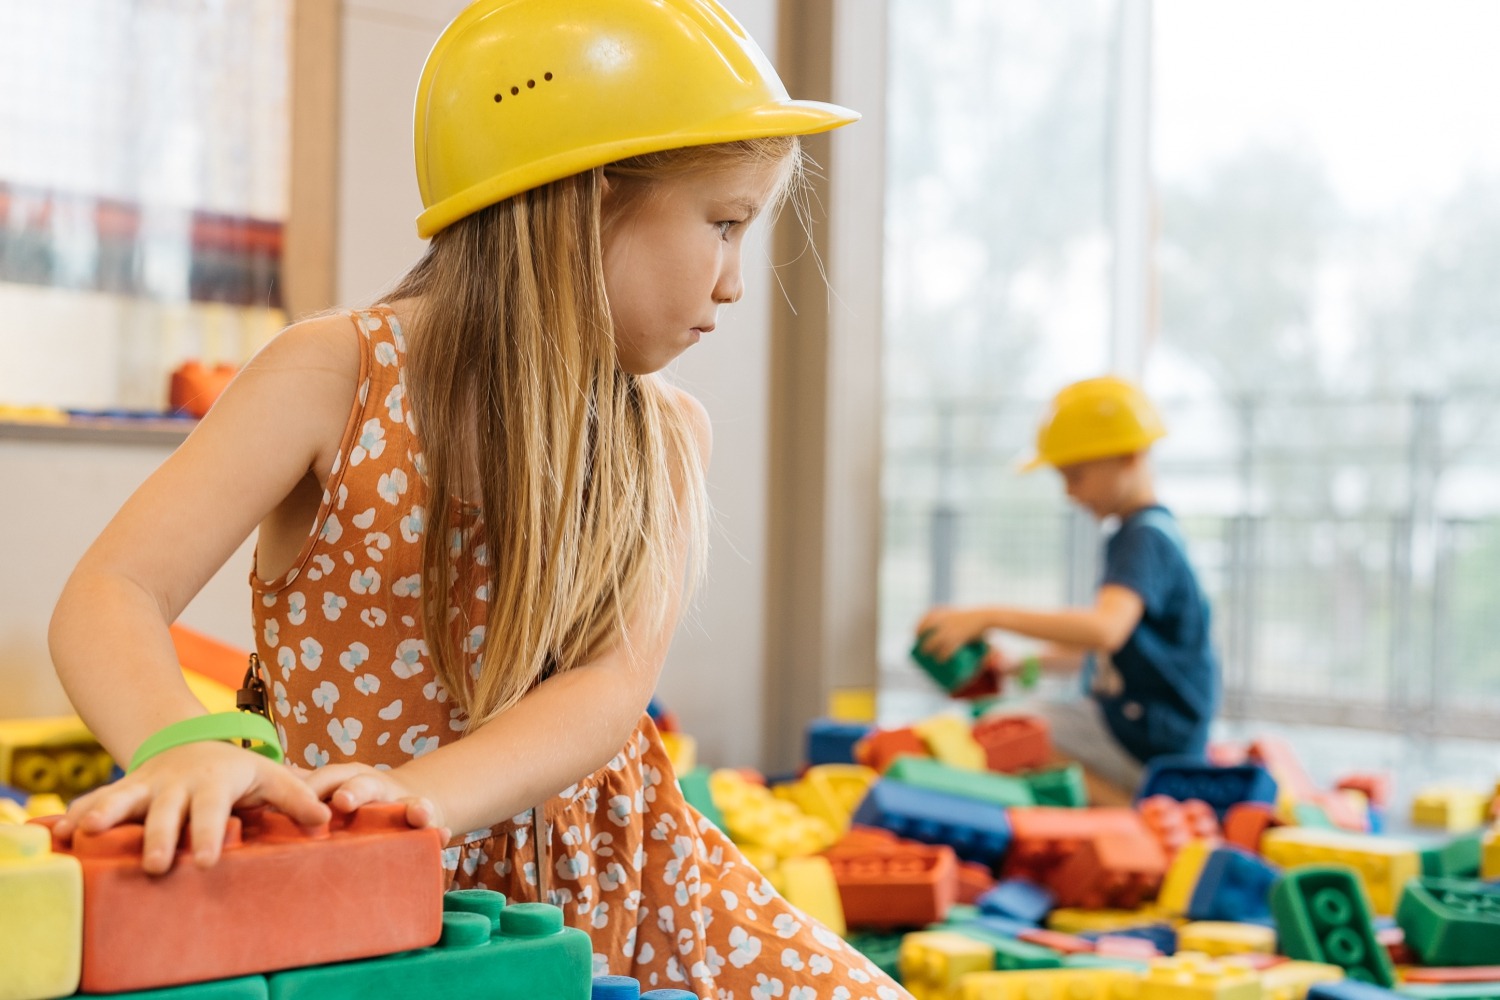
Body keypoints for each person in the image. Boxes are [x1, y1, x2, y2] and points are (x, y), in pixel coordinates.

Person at [49, 2, 908, 995]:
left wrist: (417, 794)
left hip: (620, 883)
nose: (734, 286)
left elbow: (602, 694)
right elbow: (114, 587)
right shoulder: (334, 375)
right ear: (583, 202)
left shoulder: (668, 434)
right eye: (723, 225)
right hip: (368, 885)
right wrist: (185, 748)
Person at [915, 376, 1220, 797]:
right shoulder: (1146, 532)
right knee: (1013, 724)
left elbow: (1104, 629)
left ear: (1130, 457)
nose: (1070, 493)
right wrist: (1021, 666)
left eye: (1076, 475)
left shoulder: (1143, 537)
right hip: (1143, 728)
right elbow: (1107, 649)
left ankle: (1130, 817)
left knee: (1003, 735)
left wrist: (990, 615)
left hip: (1150, 739)